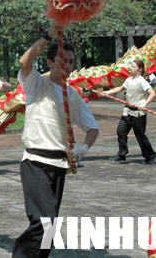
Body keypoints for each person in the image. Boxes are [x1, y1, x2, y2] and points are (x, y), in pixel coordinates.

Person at [12, 26, 99, 257]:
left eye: (71, 62)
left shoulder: (73, 95)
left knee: (49, 228)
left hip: (59, 165)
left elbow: (92, 128)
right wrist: (49, 35)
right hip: (34, 162)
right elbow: (24, 61)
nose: (68, 66)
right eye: (63, 61)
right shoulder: (36, 84)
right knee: (44, 221)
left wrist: (83, 148)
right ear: (50, 62)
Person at [105, 59, 156, 164]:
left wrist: (144, 104)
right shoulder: (129, 80)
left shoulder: (142, 81)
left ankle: (150, 156)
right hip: (127, 111)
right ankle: (122, 154)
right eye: (131, 66)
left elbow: (152, 93)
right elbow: (120, 88)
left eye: (133, 67)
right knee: (121, 131)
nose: (131, 68)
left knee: (140, 135)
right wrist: (108, 92)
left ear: (140, 69)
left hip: (138, 113)